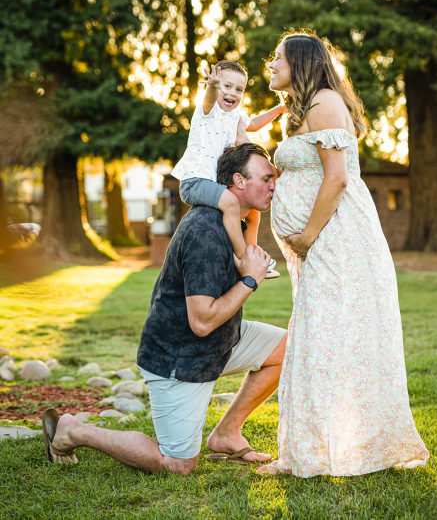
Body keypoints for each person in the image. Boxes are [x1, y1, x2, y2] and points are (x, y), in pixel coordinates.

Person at [41, 143, 287, 475]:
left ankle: (227, 433)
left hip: (220, 342)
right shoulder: (206, 233)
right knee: (178, 464)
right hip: (180, 358)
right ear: (238, 182)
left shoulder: (235, 221)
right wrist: (250, 281)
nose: (274, 184)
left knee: (289, 348)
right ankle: (75, 431)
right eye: (267, 177)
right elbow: (201, 322)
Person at [257, 32, 429, 477]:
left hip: (336, 238)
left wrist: (307, 237)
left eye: (278, 58)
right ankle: (307, 451)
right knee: (316, 337)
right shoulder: (299, 111)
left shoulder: (325, 103)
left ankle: (328, 451)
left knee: (325, 337)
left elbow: (336, 179)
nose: (270, 64)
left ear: (301, 62)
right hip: (319, 244)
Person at [171, 60, 286, 276]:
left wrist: (279, 109)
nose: (232, 92)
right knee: (232, 202)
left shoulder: (235, 115)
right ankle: (244, 260)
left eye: (239, 89)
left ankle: (251, 250)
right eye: (227, 86)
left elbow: (254, 123)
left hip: (213, 183)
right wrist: (212, 86)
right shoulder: (208, 110)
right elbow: (208, 100)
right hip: (195, 181)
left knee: (252, 211)